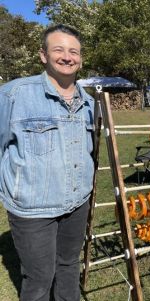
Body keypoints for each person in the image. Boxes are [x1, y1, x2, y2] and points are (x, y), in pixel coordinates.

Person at [0, 24, 94, 300]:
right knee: (39, 277)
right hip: (32, 209)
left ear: (80, 59)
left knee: (68, 266)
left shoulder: (89, 103)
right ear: (43, 55)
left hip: (77, 203)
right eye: (59, 49)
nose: (67, 56)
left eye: (73, 51)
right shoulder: (14, 95)